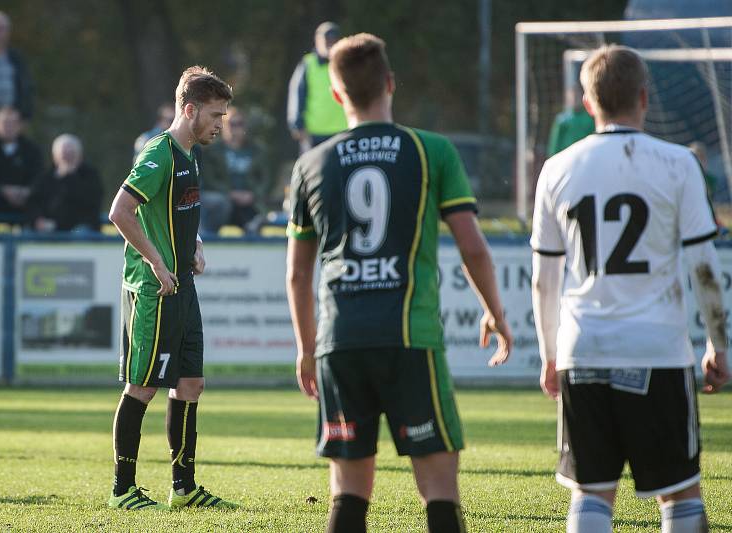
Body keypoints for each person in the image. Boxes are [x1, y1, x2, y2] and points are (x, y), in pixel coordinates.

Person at [286, 33, 513, 533]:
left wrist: (306, 348)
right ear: (390, 83)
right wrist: (494, 311)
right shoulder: (430, 151)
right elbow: (473, 246)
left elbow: (299, 272)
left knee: (348, 490)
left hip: (340, 343)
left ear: (338, 94)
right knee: (438, 486)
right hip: (410, 339)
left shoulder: (310, 164)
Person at [530, 44, 730, 533]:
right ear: (644, 97)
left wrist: (549, 353)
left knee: (592, 492)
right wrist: (719, 344)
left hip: (585, 349)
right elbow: (704, 265)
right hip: (657, 349)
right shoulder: (679, 163)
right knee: (680, 493)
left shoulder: (556, 168)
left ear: (586, 102)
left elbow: (543, 277)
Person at [107, 65, 237, 511]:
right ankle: (122, 490)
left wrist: (194, 243)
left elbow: (171, 213)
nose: (222, 124)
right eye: (216, 115)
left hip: (182, 284)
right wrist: (158, 262)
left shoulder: (189, 153)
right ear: (190, 109)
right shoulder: (159, 154)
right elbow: (120, 211)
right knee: (142, 386)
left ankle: (183, 488)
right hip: (156, 289)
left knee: (191, 383)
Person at [202, 106, 272, 232]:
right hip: (224, 199)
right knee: (222, 204)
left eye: (239, 124)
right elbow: (209, 180)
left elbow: (266, 179)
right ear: (223, 126)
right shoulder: (212, 151)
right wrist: (230, 193)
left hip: (251, 200)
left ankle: (253, 227)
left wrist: (253, 194)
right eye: (231, 124)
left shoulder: (258, 151)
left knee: (256, 214)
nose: (235, 128)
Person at [287, 21, 349, 154]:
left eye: (333, 40)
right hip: (313, 135)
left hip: (343, 132)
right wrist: (297, 125)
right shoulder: (308, 63)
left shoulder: (347, 63)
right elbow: (297, 94)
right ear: (317, 40)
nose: (330, 43)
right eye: (326, 40)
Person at [0, 106, 42, 222]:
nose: (9, 127)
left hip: (23, 198)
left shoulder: (31, 149)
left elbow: (38, 174)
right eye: (5, 123)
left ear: (20, 125)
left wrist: (27, 190)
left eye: (13, 123)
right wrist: (2, 189)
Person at [27, 134, 103, 232]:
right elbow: (33, 202)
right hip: (46, 228)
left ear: (80, 155)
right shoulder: (44, 178)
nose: (68, 157)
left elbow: (89, 207)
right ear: (54, 156)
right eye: (64, 154)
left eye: (71, 153)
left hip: (79, 228)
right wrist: (37, 220)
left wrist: (70, 178)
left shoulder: (91, 177)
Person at [547, 84, 595, 157]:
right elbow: (554, 145)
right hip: (566, 158)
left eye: (577, 96)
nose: (574, 99)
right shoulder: (561, 120)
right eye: (572, 96)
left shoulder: (590, 117)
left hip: (585, 156)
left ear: (582, 97)